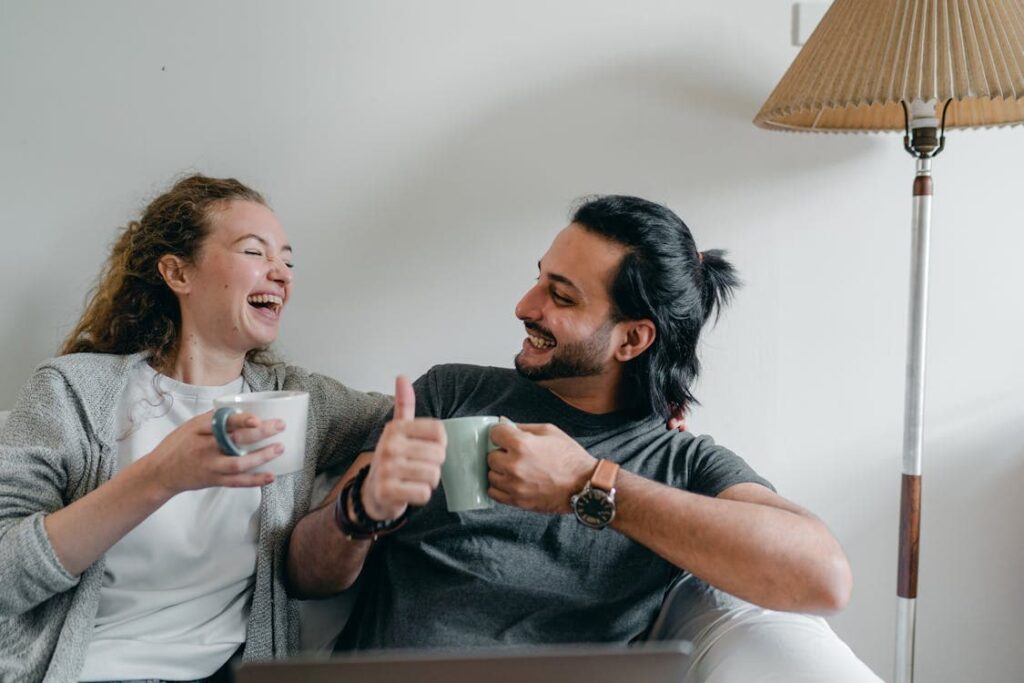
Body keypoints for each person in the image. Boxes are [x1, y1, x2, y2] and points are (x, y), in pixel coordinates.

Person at [287, 195, 865, 666]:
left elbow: (824, 578)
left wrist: (587, 486)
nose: (523, 305)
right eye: (539, 278)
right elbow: (306, 576)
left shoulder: (680, 464)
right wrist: (362, 509)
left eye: (560, 297)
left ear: (632, 340)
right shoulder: (450, 394)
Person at [0, 174, 391, 682]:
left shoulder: (301, 402)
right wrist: (160, 475)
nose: (281, 274)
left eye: (288, 261)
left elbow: (416, 415)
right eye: (255, 253)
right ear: (177, 272)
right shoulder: (72, 391)